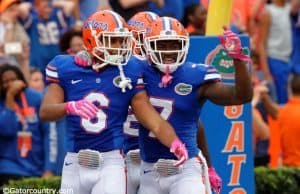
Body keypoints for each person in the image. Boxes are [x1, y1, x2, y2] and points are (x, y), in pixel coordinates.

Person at [75, 16, 252, 194]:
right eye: (162, 45)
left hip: (186, 169)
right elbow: (103, 61)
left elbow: (240, 96)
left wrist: (237, 60)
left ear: (184, 45)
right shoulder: (135, 70)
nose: (168, 51)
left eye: (174, 44)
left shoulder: (195, 75)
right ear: (148, 46)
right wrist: (87, 57)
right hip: (148, 169)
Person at [39, 10, 187, 194]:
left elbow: (153, 121)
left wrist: (175, 143)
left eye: (121, 40)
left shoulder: (131, 69)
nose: (119, 46)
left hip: (111, 162)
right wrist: (70, 106)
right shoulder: (66, 67)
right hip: (74, 162)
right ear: (92, 40)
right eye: (112, 40)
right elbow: (45, 112)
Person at [0, 64, 55, 190]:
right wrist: (10, 97)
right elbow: (7, 130)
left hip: (36, 167)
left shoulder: (36, 98)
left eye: (13, 80)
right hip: (9, 167)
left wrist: (49, 168)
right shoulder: (2, 102)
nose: (10, 84)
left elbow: (49, 134)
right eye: (5, 82)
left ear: (21, 80)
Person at [260, 73, 300, 167]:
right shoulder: (280, 113)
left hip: (289, 172)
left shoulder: (281, 114)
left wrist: (265, 98)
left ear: (289, 89)